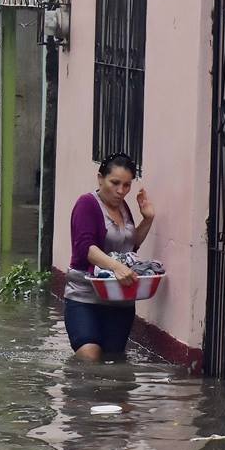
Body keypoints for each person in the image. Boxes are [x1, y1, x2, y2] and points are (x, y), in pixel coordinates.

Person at [63, 153, 154, 361]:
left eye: (127, 185)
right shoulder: (86, 204)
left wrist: (148, 219)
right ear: (100, 178)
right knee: (89, 354)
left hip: (120, 299)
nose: (121, 191)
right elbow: (86, 248)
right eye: (115, 183)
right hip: (84, 296)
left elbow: (130, 246)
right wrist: (116, 267)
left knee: (113, 361)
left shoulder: (124, 208)